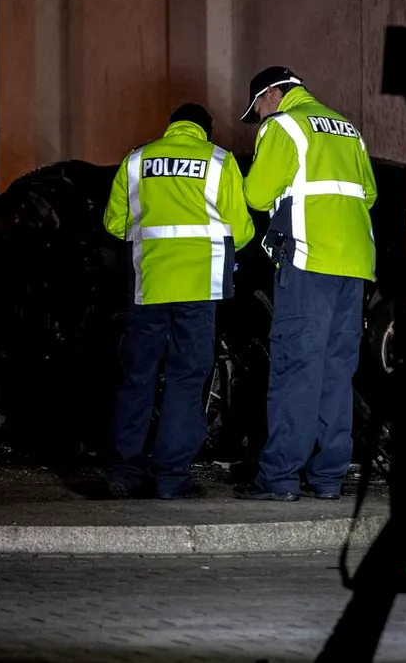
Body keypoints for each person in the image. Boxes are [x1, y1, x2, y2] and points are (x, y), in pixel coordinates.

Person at [231, 66, 378, 502]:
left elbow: (256, 195)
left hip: (308, 259)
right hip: (353, 265)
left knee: (297, 367)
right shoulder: (347, 127)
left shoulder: (283, 126)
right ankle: (329, 477)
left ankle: (278, 477)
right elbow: (367, 194)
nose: (257, 117)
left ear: (273, 94)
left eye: (257, 107)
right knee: (337, 372)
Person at [103, 103, 255, 500]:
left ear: (171, 128)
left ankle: (123, 474)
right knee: (187, 379)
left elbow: (114, 223)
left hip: (149, 285)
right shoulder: (218, 160)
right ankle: (171, 479)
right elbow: (241, 231)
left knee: (138, 376)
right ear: (204, 131)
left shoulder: (137, 159)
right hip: (199, 287)